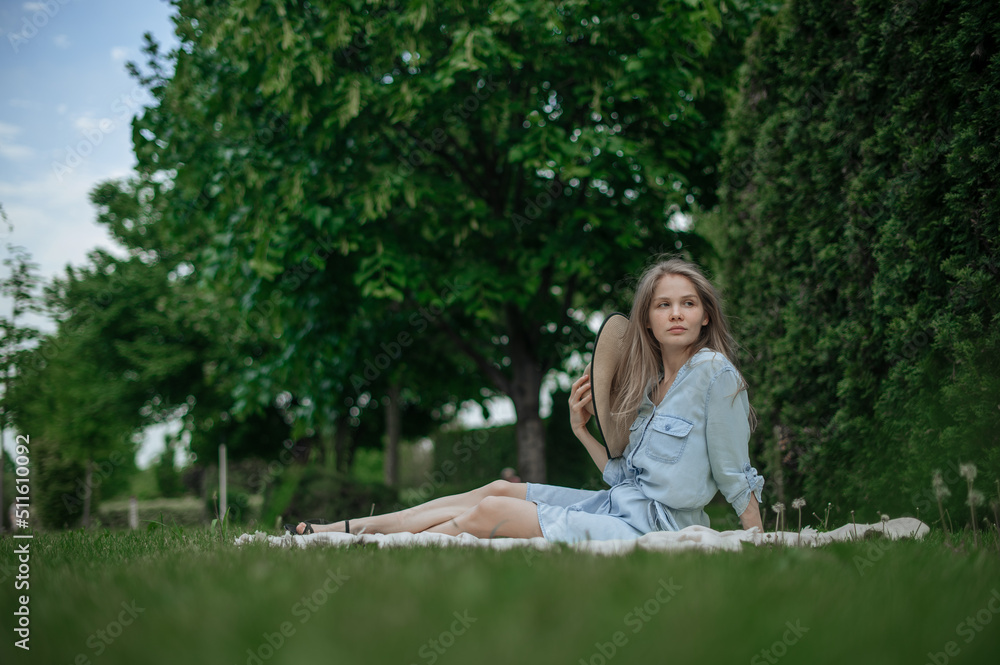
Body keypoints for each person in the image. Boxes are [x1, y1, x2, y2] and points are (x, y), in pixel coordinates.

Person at [286, 257, 764, 542]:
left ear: (705, 316)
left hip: (657, 528)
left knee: (490, 514)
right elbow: (623, 477)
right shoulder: (648, 386)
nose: (676, 313)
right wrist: (582, 431)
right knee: (495, 490)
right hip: (618, 506)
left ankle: (367, 547)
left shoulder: (714, 375)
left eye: (688, 303)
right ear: (648, 321)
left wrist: (758, 539)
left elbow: (733, 472)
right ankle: (341, 531)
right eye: (664, 304)